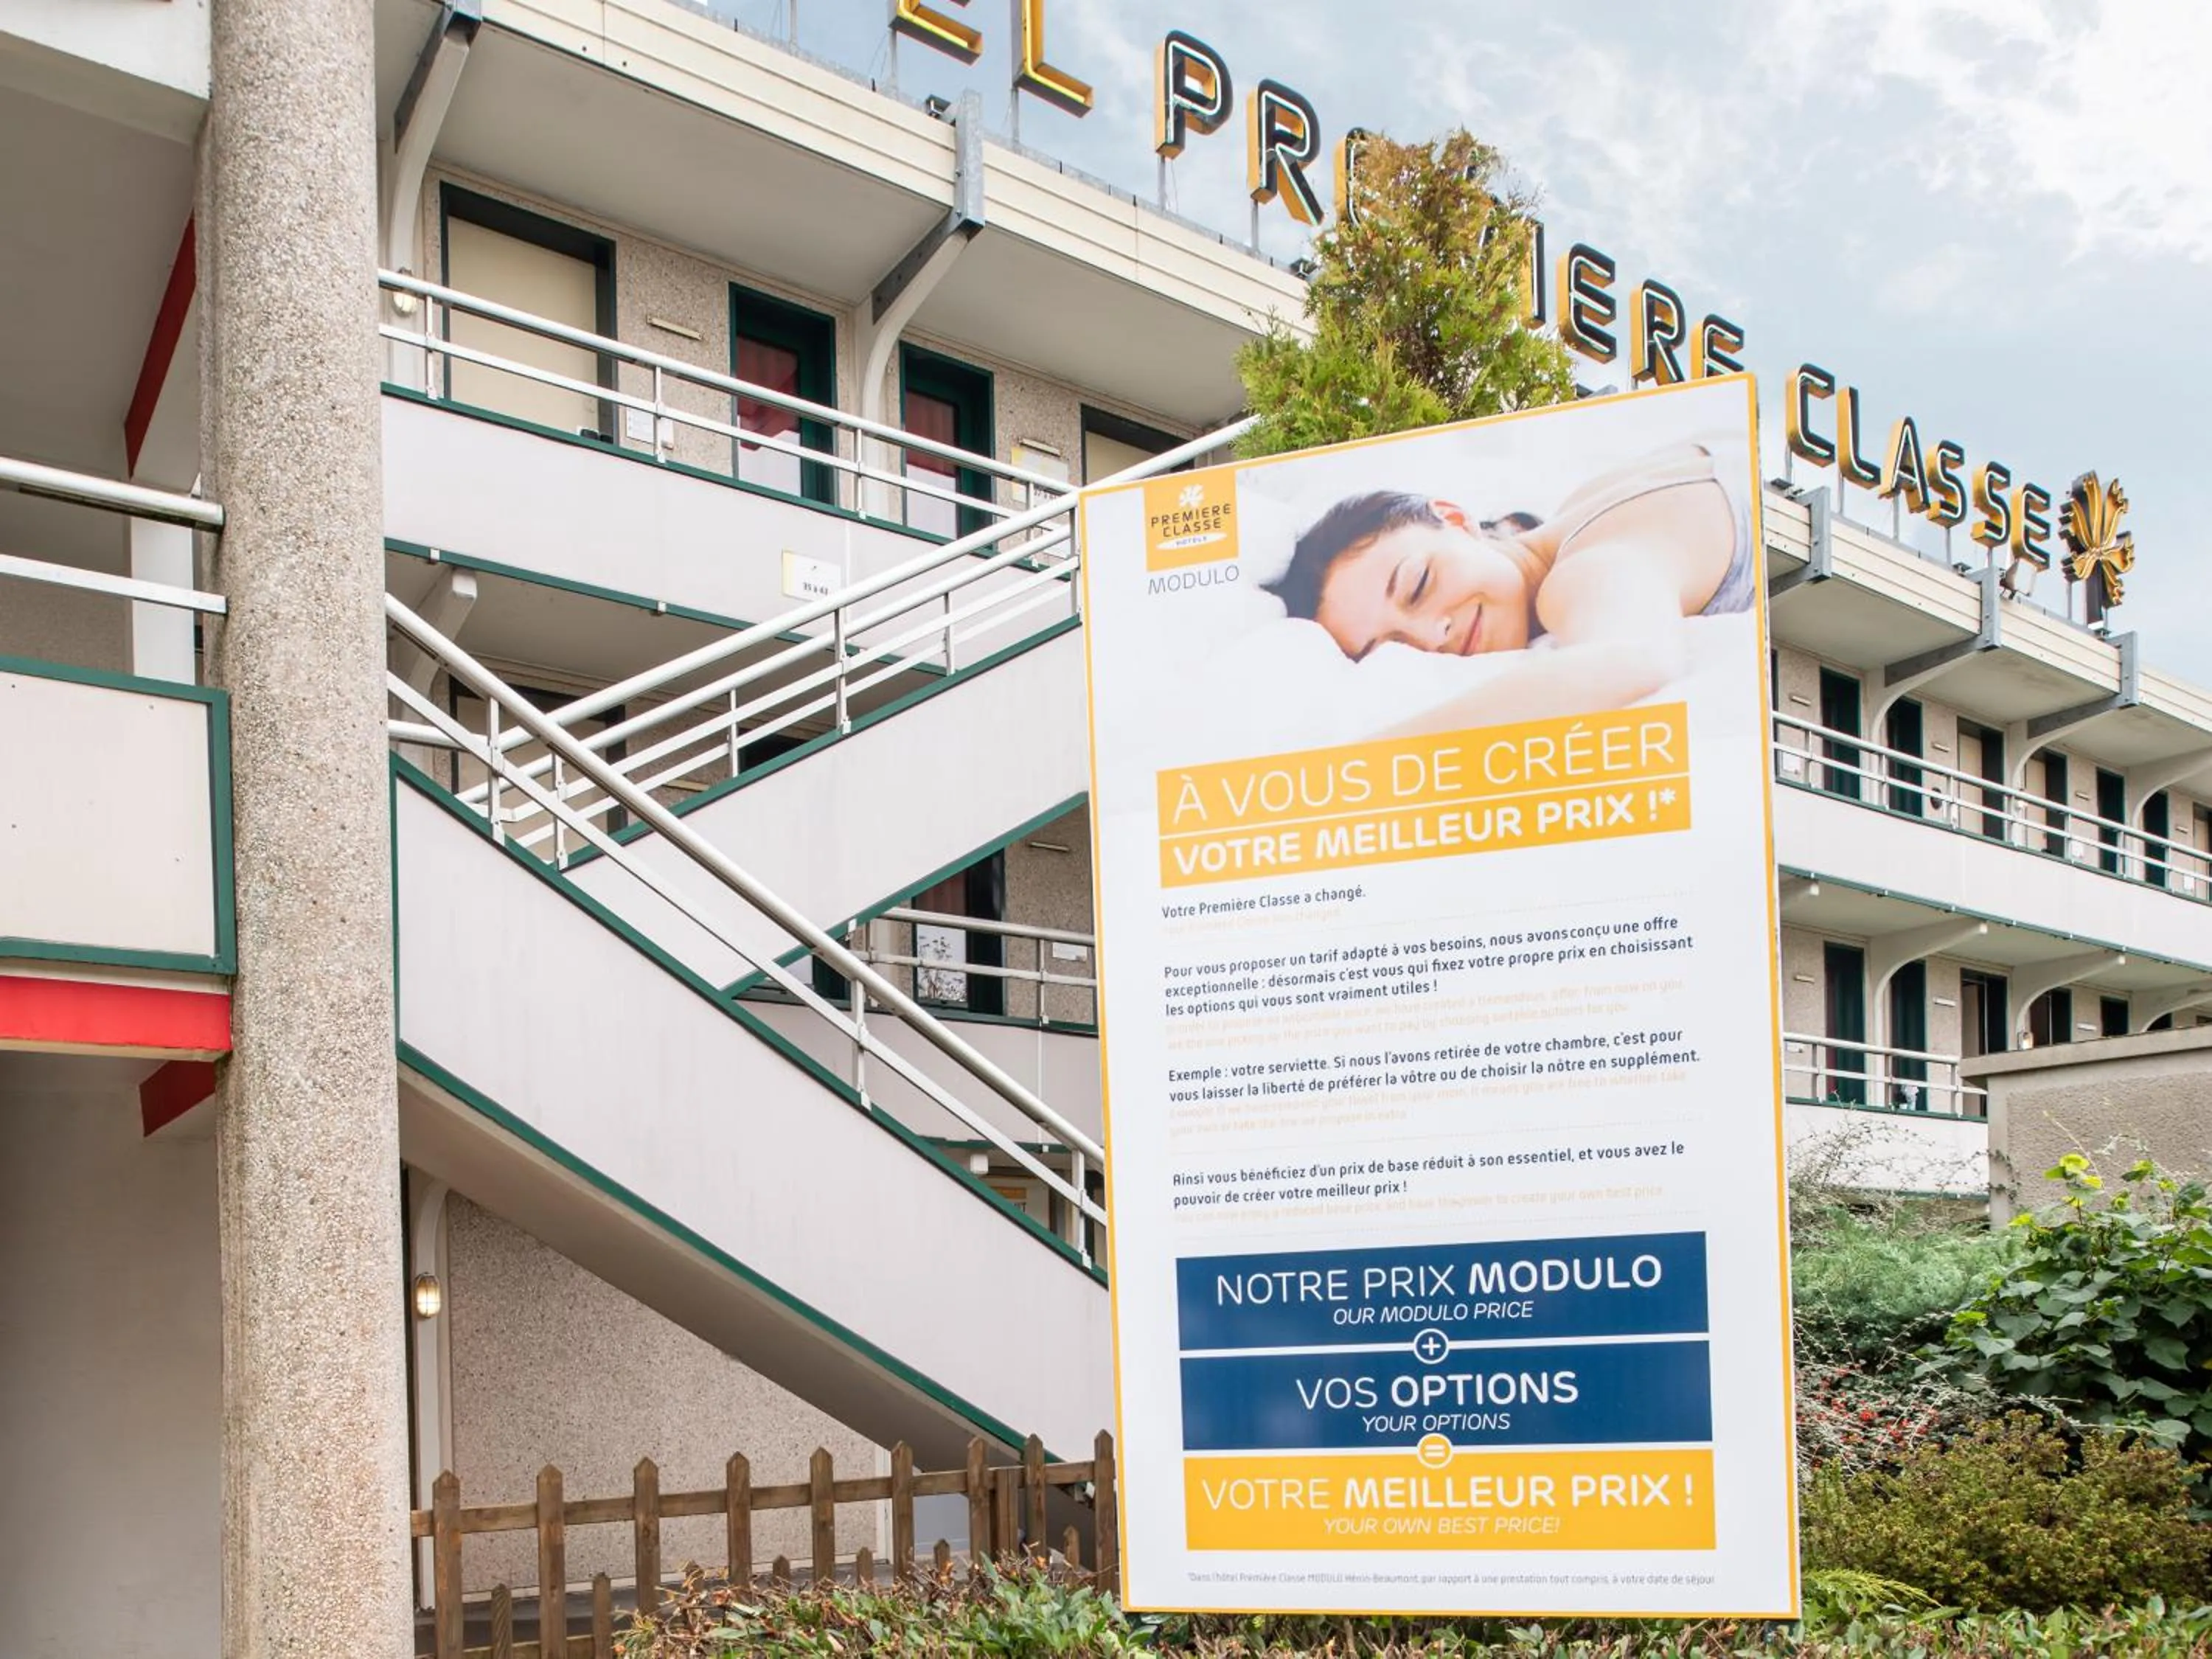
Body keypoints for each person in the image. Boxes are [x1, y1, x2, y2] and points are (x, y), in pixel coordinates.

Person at [1262, 439, 1755, 735]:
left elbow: (1636, 659)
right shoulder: (1584, 504)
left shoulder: (1582, 575)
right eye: (1393, 649)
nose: (1434, 636)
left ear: (1455, 519)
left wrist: (1362, 765)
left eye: (1418, 585)